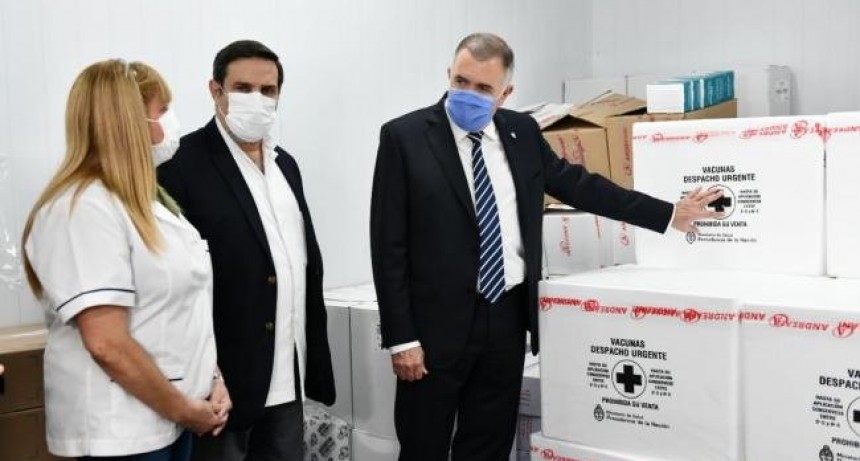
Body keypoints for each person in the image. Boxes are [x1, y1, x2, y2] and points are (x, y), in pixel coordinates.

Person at [369, 32, 723, 461]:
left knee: (488, 446)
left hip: (505, 318)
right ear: (448, 74)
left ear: (505, 93)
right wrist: (402, 339)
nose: (468, 94)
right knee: (422, 447)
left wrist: (668, 214)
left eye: (483, 88)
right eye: (461, 82)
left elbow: (581, 187)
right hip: (433, 330)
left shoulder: (520, 132)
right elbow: (388, 245)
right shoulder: (404, 138)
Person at [21, 59, 228, 461]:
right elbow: (106, 343)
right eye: (162, 110)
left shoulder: (153, 205)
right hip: (122, 432)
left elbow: (183, 310)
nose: (171, 122)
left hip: (174, 417)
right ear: (128, 123)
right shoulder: (82, 209)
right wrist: (184, 409)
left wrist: (212, 379)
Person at [158, 40, 335, 461]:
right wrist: (206, 375)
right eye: (243, 88)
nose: (257, 99)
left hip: (288, 375)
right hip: (221, 383)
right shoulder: (181, 165)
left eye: (267, 90)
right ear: (215, 90)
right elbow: (174, 284)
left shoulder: (285, 165)